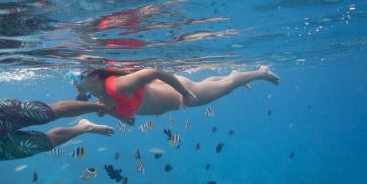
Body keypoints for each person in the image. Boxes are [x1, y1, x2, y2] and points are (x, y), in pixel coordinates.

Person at [71, 66, 279, 118]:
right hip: (174, 93)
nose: (74, 81)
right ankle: (230, 76)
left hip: (179, 94)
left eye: (79, 77)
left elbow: (155, 72)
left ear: (94, 76)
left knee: (228, 87)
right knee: (213, 86)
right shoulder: (100, 94)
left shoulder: (117, 85)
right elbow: (128, 116)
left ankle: (261, 72)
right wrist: (109, 111)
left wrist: (186, 93)